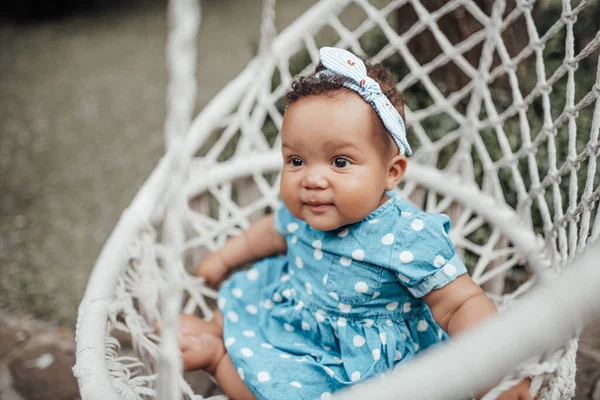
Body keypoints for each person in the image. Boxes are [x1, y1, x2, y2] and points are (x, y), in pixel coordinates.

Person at [174, 47, 532, 400]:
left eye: (340, 162)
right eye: (296, 160)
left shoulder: (405, 236)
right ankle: (217, 333)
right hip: (291, 316)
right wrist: (224, 258)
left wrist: (494, 376)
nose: (312, 179)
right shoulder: (307, 212)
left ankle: (217, 357)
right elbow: (267, 234)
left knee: (274, 390)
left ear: (391, 173)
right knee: (245, 310)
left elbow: (461, 304)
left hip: (359, 364)